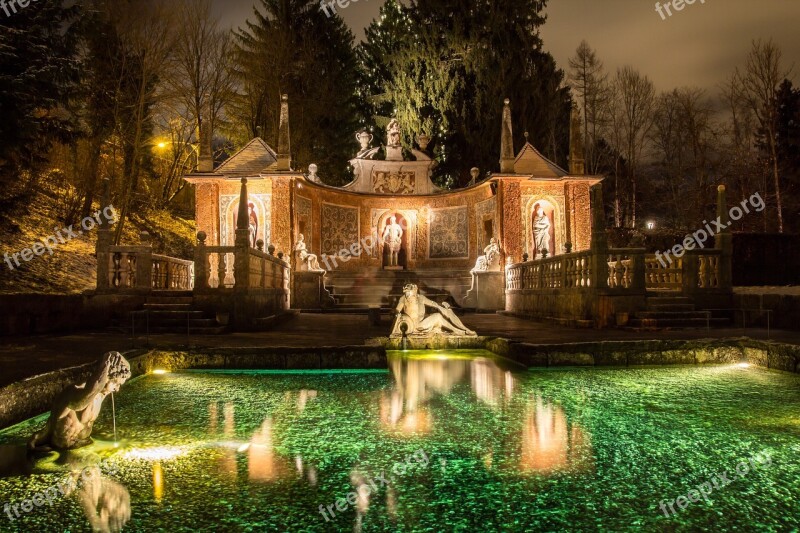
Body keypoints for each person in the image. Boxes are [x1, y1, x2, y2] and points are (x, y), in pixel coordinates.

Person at [29, 352, 131, 451]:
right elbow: (87, 395)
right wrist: (105, 365)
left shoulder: (102, 394)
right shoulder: (74, 393)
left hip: (83, 446)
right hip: (63, 452)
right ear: (106, 377)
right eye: (116, 383)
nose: (117, 389)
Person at [392, 284, 476, 337]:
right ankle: (456, 330)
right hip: (412, 326)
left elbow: (432, 303)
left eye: (409, 292)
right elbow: (397, 310)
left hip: (421, 323)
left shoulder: (421, 298)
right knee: (439, 317)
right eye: (406, 292)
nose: (408, 294)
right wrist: (397, 314)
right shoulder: (403, 299)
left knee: (439, 315)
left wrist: (441, 305)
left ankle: (461, 329)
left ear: (414, 291)